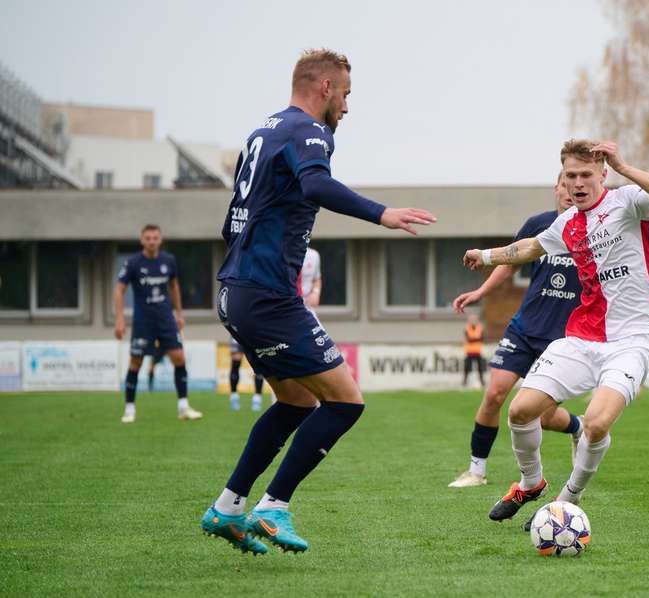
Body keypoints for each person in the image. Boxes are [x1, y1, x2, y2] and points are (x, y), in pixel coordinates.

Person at [201, 48, 436, 555]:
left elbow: (231, 222)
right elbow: (315, 183)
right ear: (325, 87)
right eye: (346, 94)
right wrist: (382, 213)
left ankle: (227, 506)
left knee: (296, 401)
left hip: (236, 291)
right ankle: (273, 507)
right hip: (267, 297)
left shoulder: (261, 132)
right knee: (346, 401)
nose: (347, 107)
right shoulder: (311, 132)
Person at [462, 139, 649, 524]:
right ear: (562, 180)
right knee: (520, 409)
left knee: (596, 423)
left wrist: (626, 166)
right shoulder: (567, 223)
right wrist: (485, 257)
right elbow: (531, 248)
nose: (577, 183)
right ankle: (531, 483)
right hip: (581, 337)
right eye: (570, 176)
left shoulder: (629, 201)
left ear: (602, 175)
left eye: (585, 175)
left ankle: (568, 499)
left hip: (631, 342)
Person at [448, 173, 584, 488]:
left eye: (575, 185)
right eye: (564, 184)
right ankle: (476, 471)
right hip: (525, 327)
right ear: (556, 188)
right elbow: (510, 262)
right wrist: (481, 292)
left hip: (563, 338)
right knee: (495, 393)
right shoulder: (539, 224)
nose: (568, 190)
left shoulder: (594, 230)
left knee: (544, 416)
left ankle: (578, 428)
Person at [114, 224, 203, 423]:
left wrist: (179, 314)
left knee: (179, 358)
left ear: (160, 240)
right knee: (136, 362)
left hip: (165, 318)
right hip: (143, 320)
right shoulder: (133, 262)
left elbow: (174, 287)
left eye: (155, 238)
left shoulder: (169, 261)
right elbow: (119, 290)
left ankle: (183, 407)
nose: (152, 241)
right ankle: (129, 409)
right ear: (142, 240)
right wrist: (120, 319)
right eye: (148, 238)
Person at [228, 336, 265, 412]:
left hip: (254, 332)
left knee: (258, 364)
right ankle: (234, 397)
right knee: (235, 363)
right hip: (238, 331)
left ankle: (257, 399)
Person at [462, 314, 486, 388]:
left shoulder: (480, 328)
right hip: (469, 351)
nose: (473, 321)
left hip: (478, 351)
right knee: (467, 367)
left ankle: (482, 381)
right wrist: (476, 339)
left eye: (474, 319)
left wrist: (474, 339)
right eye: (471, 319)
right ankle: (465, 381)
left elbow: (481, 338)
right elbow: (469, 339)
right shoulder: (467, 328)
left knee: (480, 368)